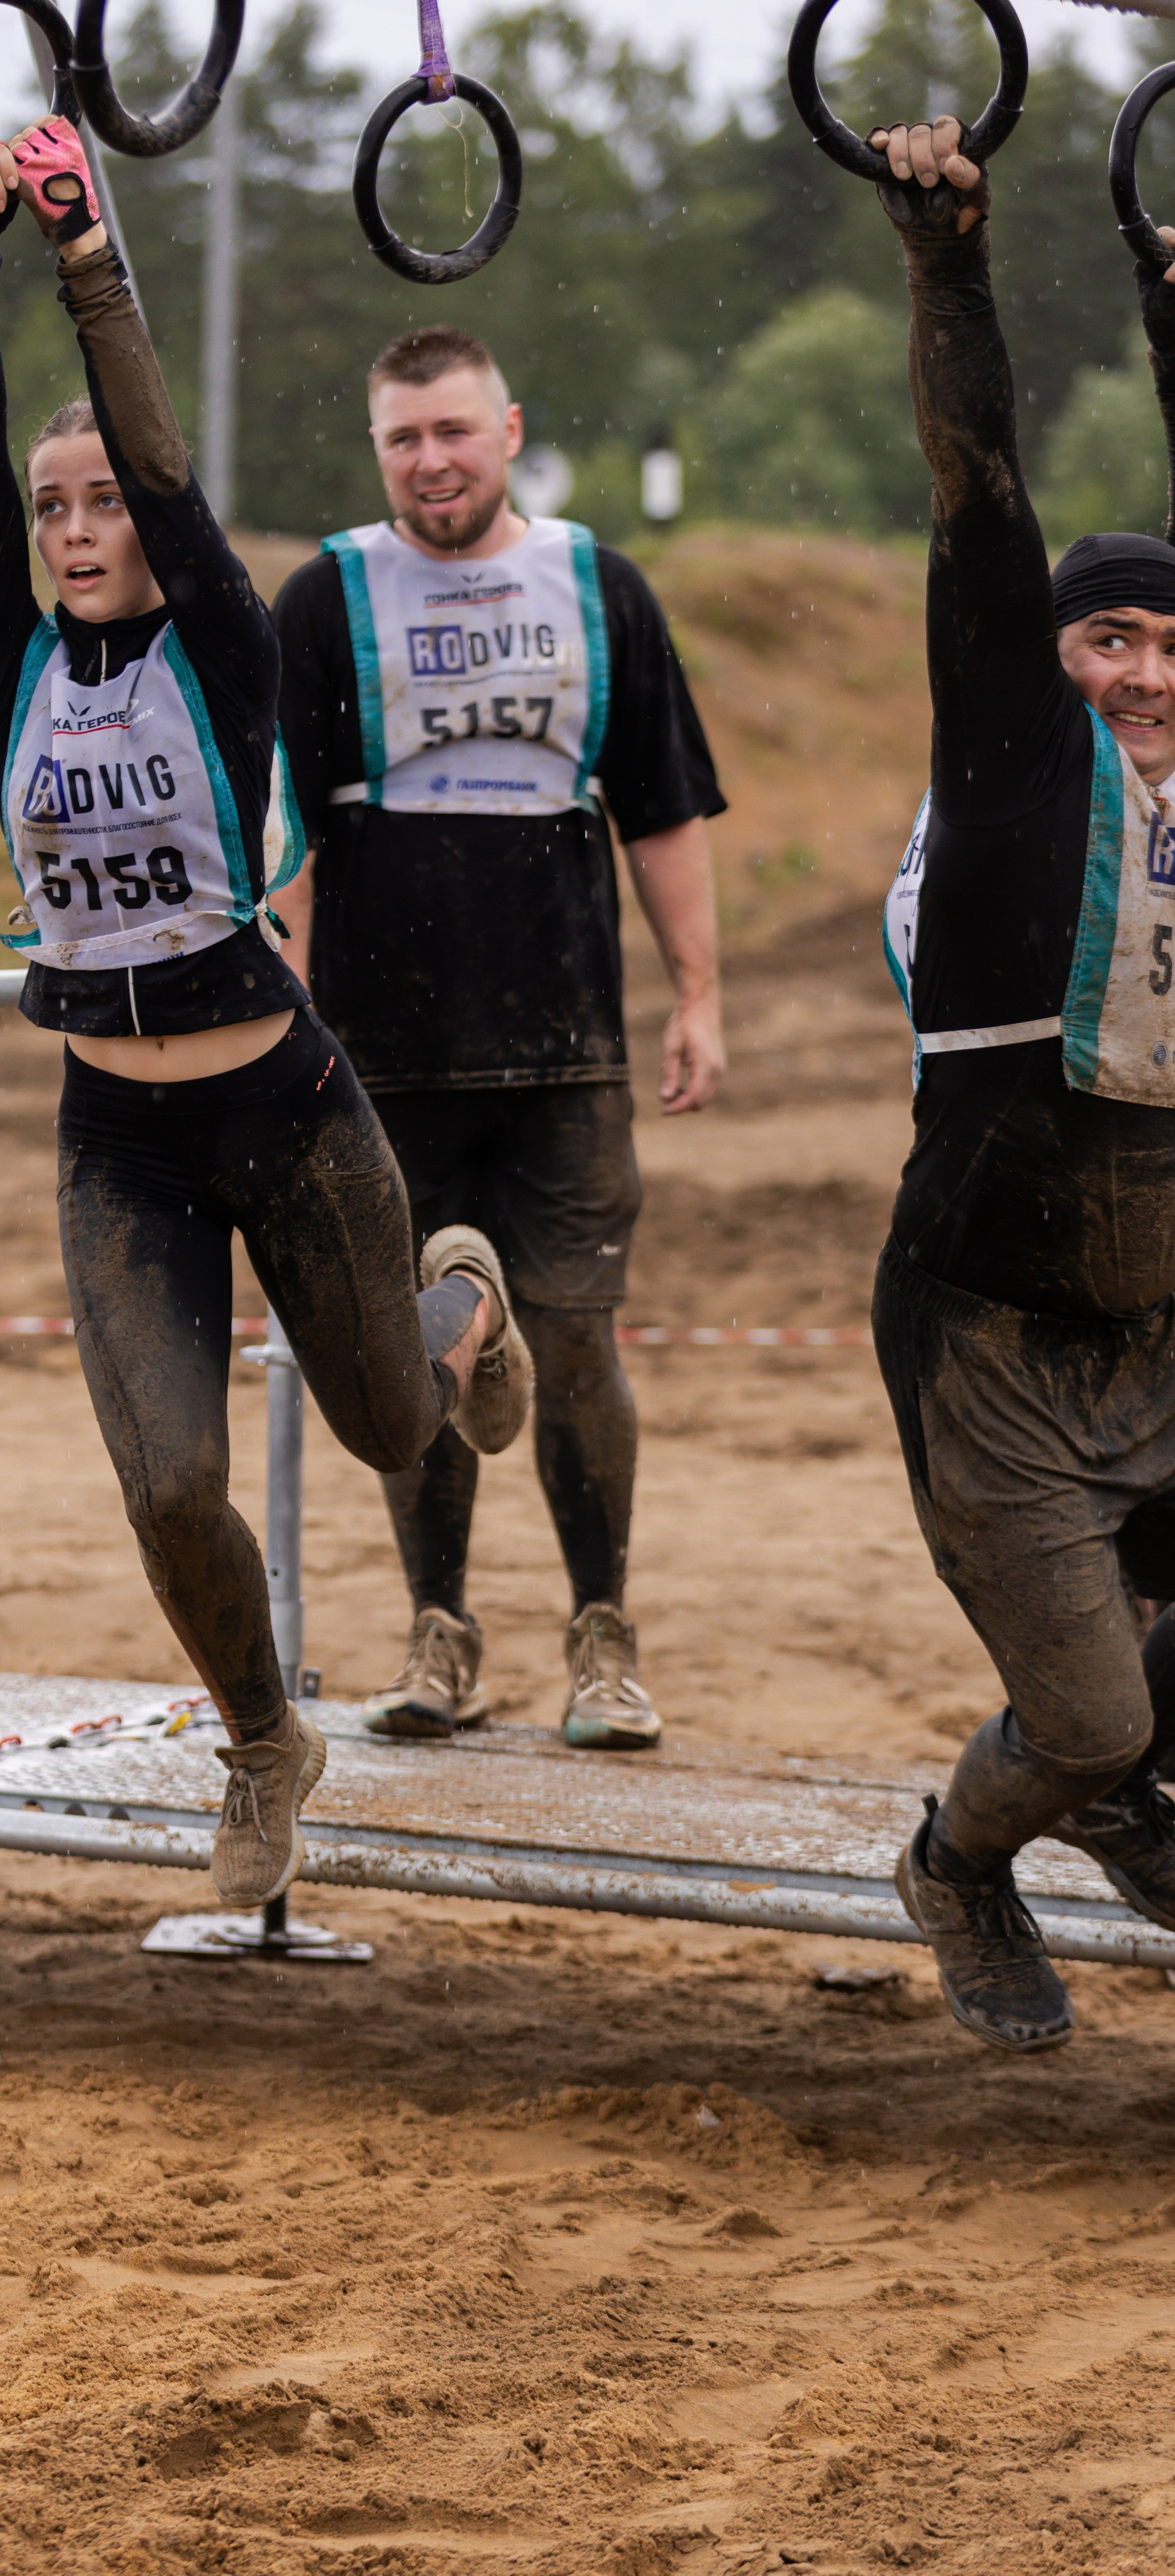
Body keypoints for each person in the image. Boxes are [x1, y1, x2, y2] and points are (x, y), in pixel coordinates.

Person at [0, 116, 533, 1911]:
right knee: (172, 1489)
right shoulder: (10, 652)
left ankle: (459, 1306)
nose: (74, 527)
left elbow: (173, 479)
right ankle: (264, 1738)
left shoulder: (226, 640)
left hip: (286, 1099)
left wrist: (81, 249)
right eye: (57, 509)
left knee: (387, 1438)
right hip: (117, 1132)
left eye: (99, 498)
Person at [274, 327, 725, 1750]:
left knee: (577, 1349)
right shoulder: (324, 596)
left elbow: (658, 810)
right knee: (412, 1356)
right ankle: (440, 1633)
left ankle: (602, 1638)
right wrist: (282, 1017)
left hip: (566, 1054)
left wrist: (696, 996)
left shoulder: (598, 585)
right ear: (376, 448)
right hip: (379, 1061)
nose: (431, 462)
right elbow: (280, 826)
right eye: (403, 438)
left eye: (454, 432)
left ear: (508, 428)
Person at [868, 112, 1175, 2053]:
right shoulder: (1009, 773)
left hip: (1165, 1331)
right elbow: (980, 491)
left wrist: (1164, 298)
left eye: (1173, 641)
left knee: (1139, 1731)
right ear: (1048, 659)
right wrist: (947, 260)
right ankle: (963, 1862)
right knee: (1086, 1722)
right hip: (990, 1353)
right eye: (1108, 637)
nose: (1144, 671)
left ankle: (1135, 1796)